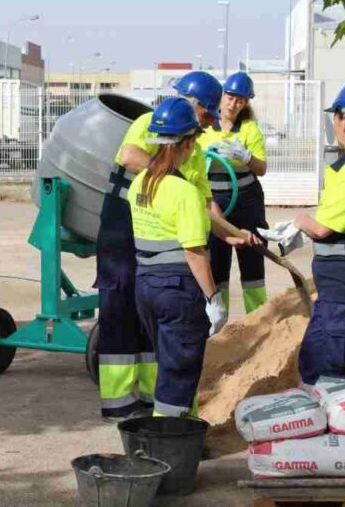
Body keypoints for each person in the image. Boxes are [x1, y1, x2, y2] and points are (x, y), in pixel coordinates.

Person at [96, 71, 254, 419]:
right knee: (122, 307)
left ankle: (155, 399)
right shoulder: (153, 122)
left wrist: (229, 232)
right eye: (207, 116)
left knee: (154, 319)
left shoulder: (194, 151)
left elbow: (205, 202)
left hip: (160, 229)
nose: (208, 124)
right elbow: (129, 155)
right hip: (124, 226)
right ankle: (119, 400)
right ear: (193, 106)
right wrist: (168, 175)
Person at [265, 79, 345, 388]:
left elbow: (323, 228)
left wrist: (300, 221)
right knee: (315, 359)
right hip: (341, 286)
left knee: (341, 370)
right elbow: (338, 218)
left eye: (335, 117)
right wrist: (303, 229)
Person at [128, 97, 230, 417]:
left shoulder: (140, 184)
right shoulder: (184, 192)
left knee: (169, 365)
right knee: (177, 376)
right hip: (178, 291)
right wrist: (213, 298)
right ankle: (165, 440)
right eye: (194, 139)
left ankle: (178, 430)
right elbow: (194, 252)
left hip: (145, 285)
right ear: (186, 142)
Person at [198, 71, 270, 315]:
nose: (233, 104)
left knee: (252, 259)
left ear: (246, 102)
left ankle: (258, 317)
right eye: (230, 97)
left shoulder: (250, 129)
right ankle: (219, 320)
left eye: (240, 100)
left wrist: (246, 157)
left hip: (246, 200)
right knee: (217, 261)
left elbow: (261, 169)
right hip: (215, 199)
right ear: (222, 96)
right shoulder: (206, 126)